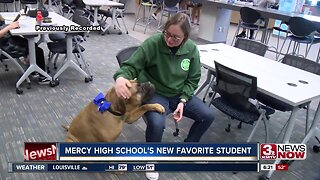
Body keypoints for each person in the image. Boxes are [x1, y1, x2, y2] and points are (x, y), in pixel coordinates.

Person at [113, 13, 214, 180]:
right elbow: (131, 66)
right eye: (167, 33)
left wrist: (183, 100)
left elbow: (193, 78)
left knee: (207, 116)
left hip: (179, 93)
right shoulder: (153, 43)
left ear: (186, 37)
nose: (169, 39)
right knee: (157, 123)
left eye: (175, 37)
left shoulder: (191, 49)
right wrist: (121, 78)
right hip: (155, 92)